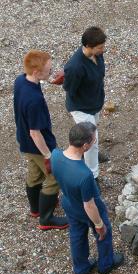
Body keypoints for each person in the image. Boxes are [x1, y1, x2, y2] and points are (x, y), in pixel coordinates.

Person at [51, 122, 124, 274]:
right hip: (86, 209)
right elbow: (89, 205)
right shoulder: (85, 175)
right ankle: (106, 264)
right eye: (93, 140)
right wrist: (99, 225)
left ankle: (80, 269)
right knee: (104, 234)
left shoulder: (55, 155)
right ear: (85, 146)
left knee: (77, 235)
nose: (95, 142)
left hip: (69, 203)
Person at [13, 50, 68, 230]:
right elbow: (35, 133)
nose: (51, 72)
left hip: (24, 142)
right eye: (48, 70)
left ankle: (36, 208)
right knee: (54, 177)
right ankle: (46, 219)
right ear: (36, 72)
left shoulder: (21, 80)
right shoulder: (34, 100)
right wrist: (47, 155)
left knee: (35, 173)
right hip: (38, 145)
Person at [63, 26, 109, 182]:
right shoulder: (75, 67)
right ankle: (93, 176)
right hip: (81, 108)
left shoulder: (97, 55)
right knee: (91, 140)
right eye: (100, 47)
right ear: (88, 46)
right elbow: (69, 89)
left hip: (94, 104)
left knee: (93, 134)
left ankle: (89, 154)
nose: (103, 50)